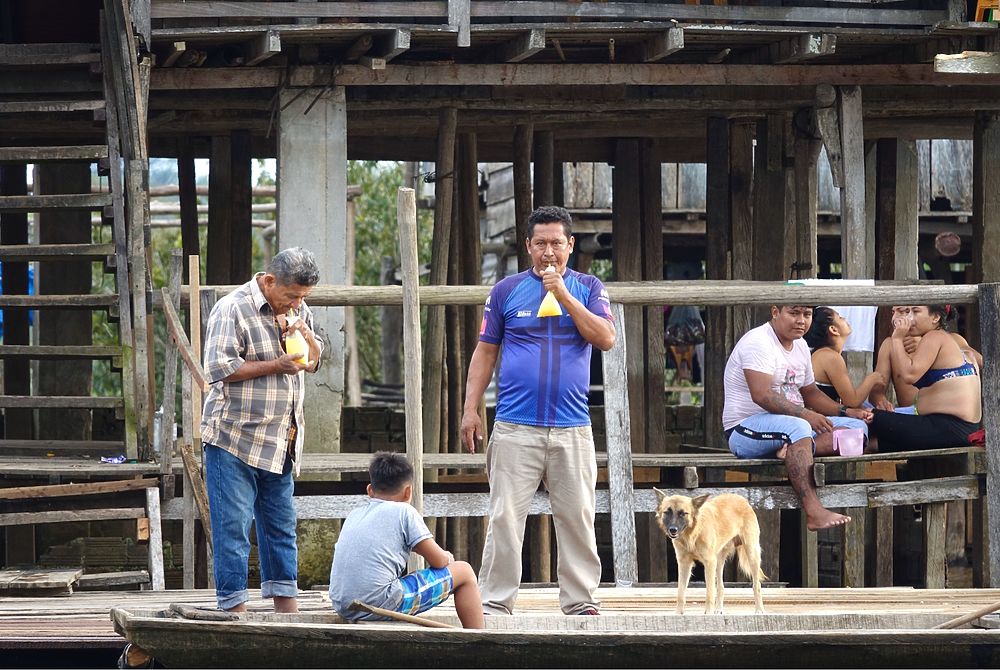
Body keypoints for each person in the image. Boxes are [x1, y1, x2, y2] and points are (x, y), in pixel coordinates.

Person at [460, 205, 615, 616]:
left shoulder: (589, 287)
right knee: (505, 517)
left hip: (572, 426)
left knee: (577, 517)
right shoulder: (506, 291)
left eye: (557, 243)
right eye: (541, 243)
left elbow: (605, 338)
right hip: (514, 425)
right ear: (528, 246)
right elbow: (485, 352)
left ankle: (580, 601)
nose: (549, 252)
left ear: (571, 245)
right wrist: (470, 409)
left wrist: (563, 295)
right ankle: (495, 601)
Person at [201, 247, 323, 613]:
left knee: (281, 527)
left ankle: (287, 612)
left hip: (282, 438)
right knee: (233, 529)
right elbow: (218, 368)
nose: (296, 303)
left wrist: (307, 338)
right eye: (291, 296)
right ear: (269, 281)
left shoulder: (298, 309)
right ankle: (233, 611)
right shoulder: (232, 308)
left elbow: (313, 361)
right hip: (233, 438)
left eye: (302, 297)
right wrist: (275, 365)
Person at [723, 305, 873, 531]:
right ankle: (814, 511)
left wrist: (845, 412)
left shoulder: (801, 345)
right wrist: (806, 414)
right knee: (799, 427)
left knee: (857, 430)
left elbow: (810, 392)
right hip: (745, 429)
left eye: (807, 314)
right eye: (794, 313)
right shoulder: (758, 341)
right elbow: (762, 394)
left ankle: (792, 449)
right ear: (775, 312)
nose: (801, 320)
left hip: (792, 426)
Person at [328, 452, 484, 629]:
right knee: (464, 571)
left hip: (343, 605)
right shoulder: (404, 512)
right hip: (378, 603)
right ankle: (480, 638)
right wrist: (448, 556)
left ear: (370, 490)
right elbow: (439, 561)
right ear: (408, 491)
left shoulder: (354, 514)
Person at [868, 304, 982, 451]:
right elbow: (877, 393)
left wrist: (897, 338)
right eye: (906, 311)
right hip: (955, 428)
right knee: (873, 441)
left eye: (914, 311)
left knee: (862, 417)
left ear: (935, 317)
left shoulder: (937, 337)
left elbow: (908, 375)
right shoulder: (935, 338)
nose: (907, 317)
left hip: (947, 426)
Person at [803, 306, 884, 407]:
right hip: (823, 414)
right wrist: (872, 378)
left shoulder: (822, 353)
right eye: (840, 318)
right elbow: (852, 402)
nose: (845, 319)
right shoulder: (830, 357)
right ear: (833, 329)